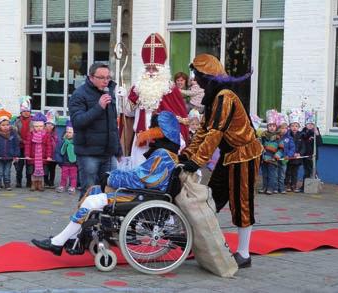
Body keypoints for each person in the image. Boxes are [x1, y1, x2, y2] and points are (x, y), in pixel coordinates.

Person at [31, 111, 181, 256]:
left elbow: (141, 179)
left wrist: (111, 177)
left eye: (153, 128)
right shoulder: (163, 153)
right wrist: (112, 176)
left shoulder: (163, 155)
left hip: (143, 197)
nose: (149, 131)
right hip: (142, 194)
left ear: (161, 132)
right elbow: (140, 176)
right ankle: (71, 239)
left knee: (91, 201)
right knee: (94, 191)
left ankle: (58, 243)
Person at [179, 54, 262, 269]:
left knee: (241, 201)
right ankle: (202, 241)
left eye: (197, 75)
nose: (195, 79)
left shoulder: (225, 97)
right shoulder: (213, 95)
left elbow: (215, 133)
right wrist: (188, 154)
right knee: (213, 196)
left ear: (208, 76)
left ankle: (243, 254)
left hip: (244, 154)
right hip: (228, 154)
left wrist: (196, 161)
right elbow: (204, 130)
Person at [127, 33, 189, 166]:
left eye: (154, 69)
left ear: (162, 70)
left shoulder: (170, 89)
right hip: (140, 138)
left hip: (161, 140)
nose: (150, 72)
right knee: (138, 168)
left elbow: (179, 116)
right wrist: (121, 98)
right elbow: (128, 113)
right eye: (147, 68)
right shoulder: (137, 87)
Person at [68, 63, 122, 199]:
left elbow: (113, 125)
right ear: (91, 77)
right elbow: (78, 122)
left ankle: (104, 220)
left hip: (109, 153)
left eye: (108, 77)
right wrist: (98, 107)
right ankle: (86, 219)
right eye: (102, 77)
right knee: (90, 191)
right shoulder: (79, 94)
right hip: (88, 153)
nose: (106, 81)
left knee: (110, 191)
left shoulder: (109, 92)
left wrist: (118, 149)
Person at [25, 112, 53, 192]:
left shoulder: (46, 135)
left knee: (41, 172)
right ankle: (33, 183)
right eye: (36, 126)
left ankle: (40, 184)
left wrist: (48, 156)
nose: (39, 128)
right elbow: (28, 145)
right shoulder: (30, 134)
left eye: (40, 126)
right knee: (33, 171)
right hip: (33, 157)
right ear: (33, 126)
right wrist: (27, 154)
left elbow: (49, 146)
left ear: (44, 126)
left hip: (42, 157)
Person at [259, 110, 284, 195]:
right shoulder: (263, 136)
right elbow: (260, 145)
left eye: (273, 126)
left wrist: (277, 155)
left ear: (276, 127)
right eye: (270, 126)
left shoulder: (278, 137)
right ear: (267, 127)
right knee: (264, 174)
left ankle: (271, 188)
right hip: (264, 158)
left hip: (273, 159)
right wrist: (261, 149)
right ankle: (264, 187)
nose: (272, 127)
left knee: (272, 175)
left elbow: (281, 149)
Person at [300, 110, 322, 192]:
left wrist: (317, 134)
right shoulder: (303, 131)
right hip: (305, 155)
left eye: (312, 124)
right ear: (305, 124)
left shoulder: (316, 131)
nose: (310, 125)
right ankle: (304, 186)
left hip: (313, 155)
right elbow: (303, 137)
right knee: (306, 171)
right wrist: (308, 132)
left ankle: (315, 186)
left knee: (313, 171)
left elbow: (320, 143)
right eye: (308, 124)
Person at [14, 96, 33, 188]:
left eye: (28, 111)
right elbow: (15, 133)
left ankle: (29, 181)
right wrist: (22, 140)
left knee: (29, 165)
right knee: (19, 166)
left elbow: (34, 132)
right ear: (21, 112)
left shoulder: (33, 121)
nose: (26, 113)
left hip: (30, 147)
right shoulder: (17, 121)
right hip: (20, 146)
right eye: (24, 111)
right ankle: (18, 181)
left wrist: (28, 141)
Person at [55, 120, 77, 194]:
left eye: (70, 132)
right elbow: (59, 152)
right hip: (65, 163)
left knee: (73, 177)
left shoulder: (76, 143)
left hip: (73, 163)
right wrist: (60, 160)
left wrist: (77, 162)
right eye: (67, 132)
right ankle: (62, 185)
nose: (68, 134)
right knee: (63, 176)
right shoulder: (63, 142)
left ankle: (72, 186)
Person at [276, 113, 295, 194]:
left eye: (286, 128)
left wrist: (289, 155)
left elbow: (292, 148)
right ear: (279, 129)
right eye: (282, 128)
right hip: (276, 159)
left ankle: (282, 188)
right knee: (276, 174)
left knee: (282, 174)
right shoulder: (276, 137)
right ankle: (276, 188)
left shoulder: (289, 138)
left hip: (284, 159)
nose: (284, 130)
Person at [44, 109, 58, 189]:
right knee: (46, 169)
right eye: (48, 124)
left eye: (52, 125)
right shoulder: (43, 134)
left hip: (53, 156)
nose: (49, 126)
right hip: (45, 155)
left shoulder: (55, 135)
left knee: (52, 170)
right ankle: (46, 181)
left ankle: (51, 182)